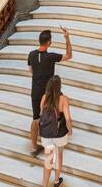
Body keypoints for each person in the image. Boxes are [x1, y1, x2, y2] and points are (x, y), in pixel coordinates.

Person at [27, 27, 72, 156]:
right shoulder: (51, 57)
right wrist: (67, 38)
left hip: (35, 90)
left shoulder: (31, 54)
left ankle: (33, 146)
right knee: (62, 106)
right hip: (48, 92)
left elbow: (30, 70)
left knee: (36, 118)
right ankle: (60, 136)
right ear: (49, 43)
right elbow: (69, 55)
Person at [38, 75, 72, 187]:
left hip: (47, 134)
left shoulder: (44, 98)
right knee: (59, 156)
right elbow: (68, 119)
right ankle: (56, 181)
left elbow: (41, 114)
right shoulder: (63, 99)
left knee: (48, 160)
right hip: (59, 133)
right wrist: (70, 130)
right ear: (59, 87)